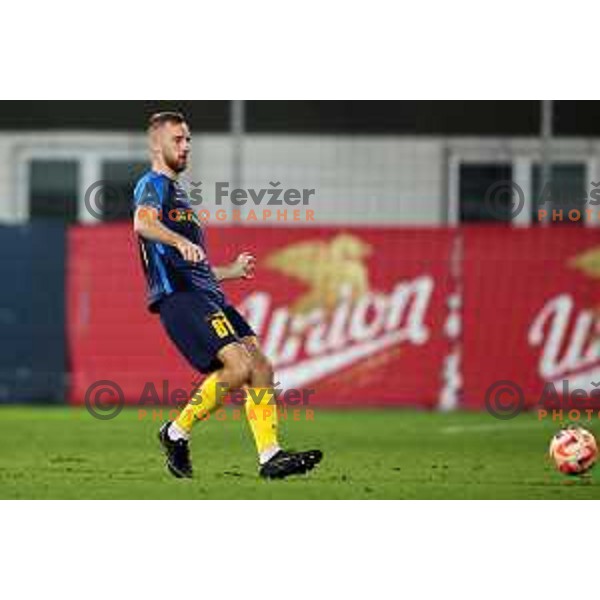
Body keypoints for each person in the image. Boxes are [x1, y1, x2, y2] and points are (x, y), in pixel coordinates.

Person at [132, 111, 322, 479]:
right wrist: (179, 239)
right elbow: (143, 223)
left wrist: (229, 272)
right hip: (181, 298)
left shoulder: (179, 199)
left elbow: (192, 262)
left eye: (188, 139)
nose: (186, 146)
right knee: (237, 367)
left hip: (208, 295)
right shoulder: (151, 184)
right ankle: (175, 432)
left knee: (261, 366)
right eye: (177, 139)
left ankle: (270, 456)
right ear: (156, 144)